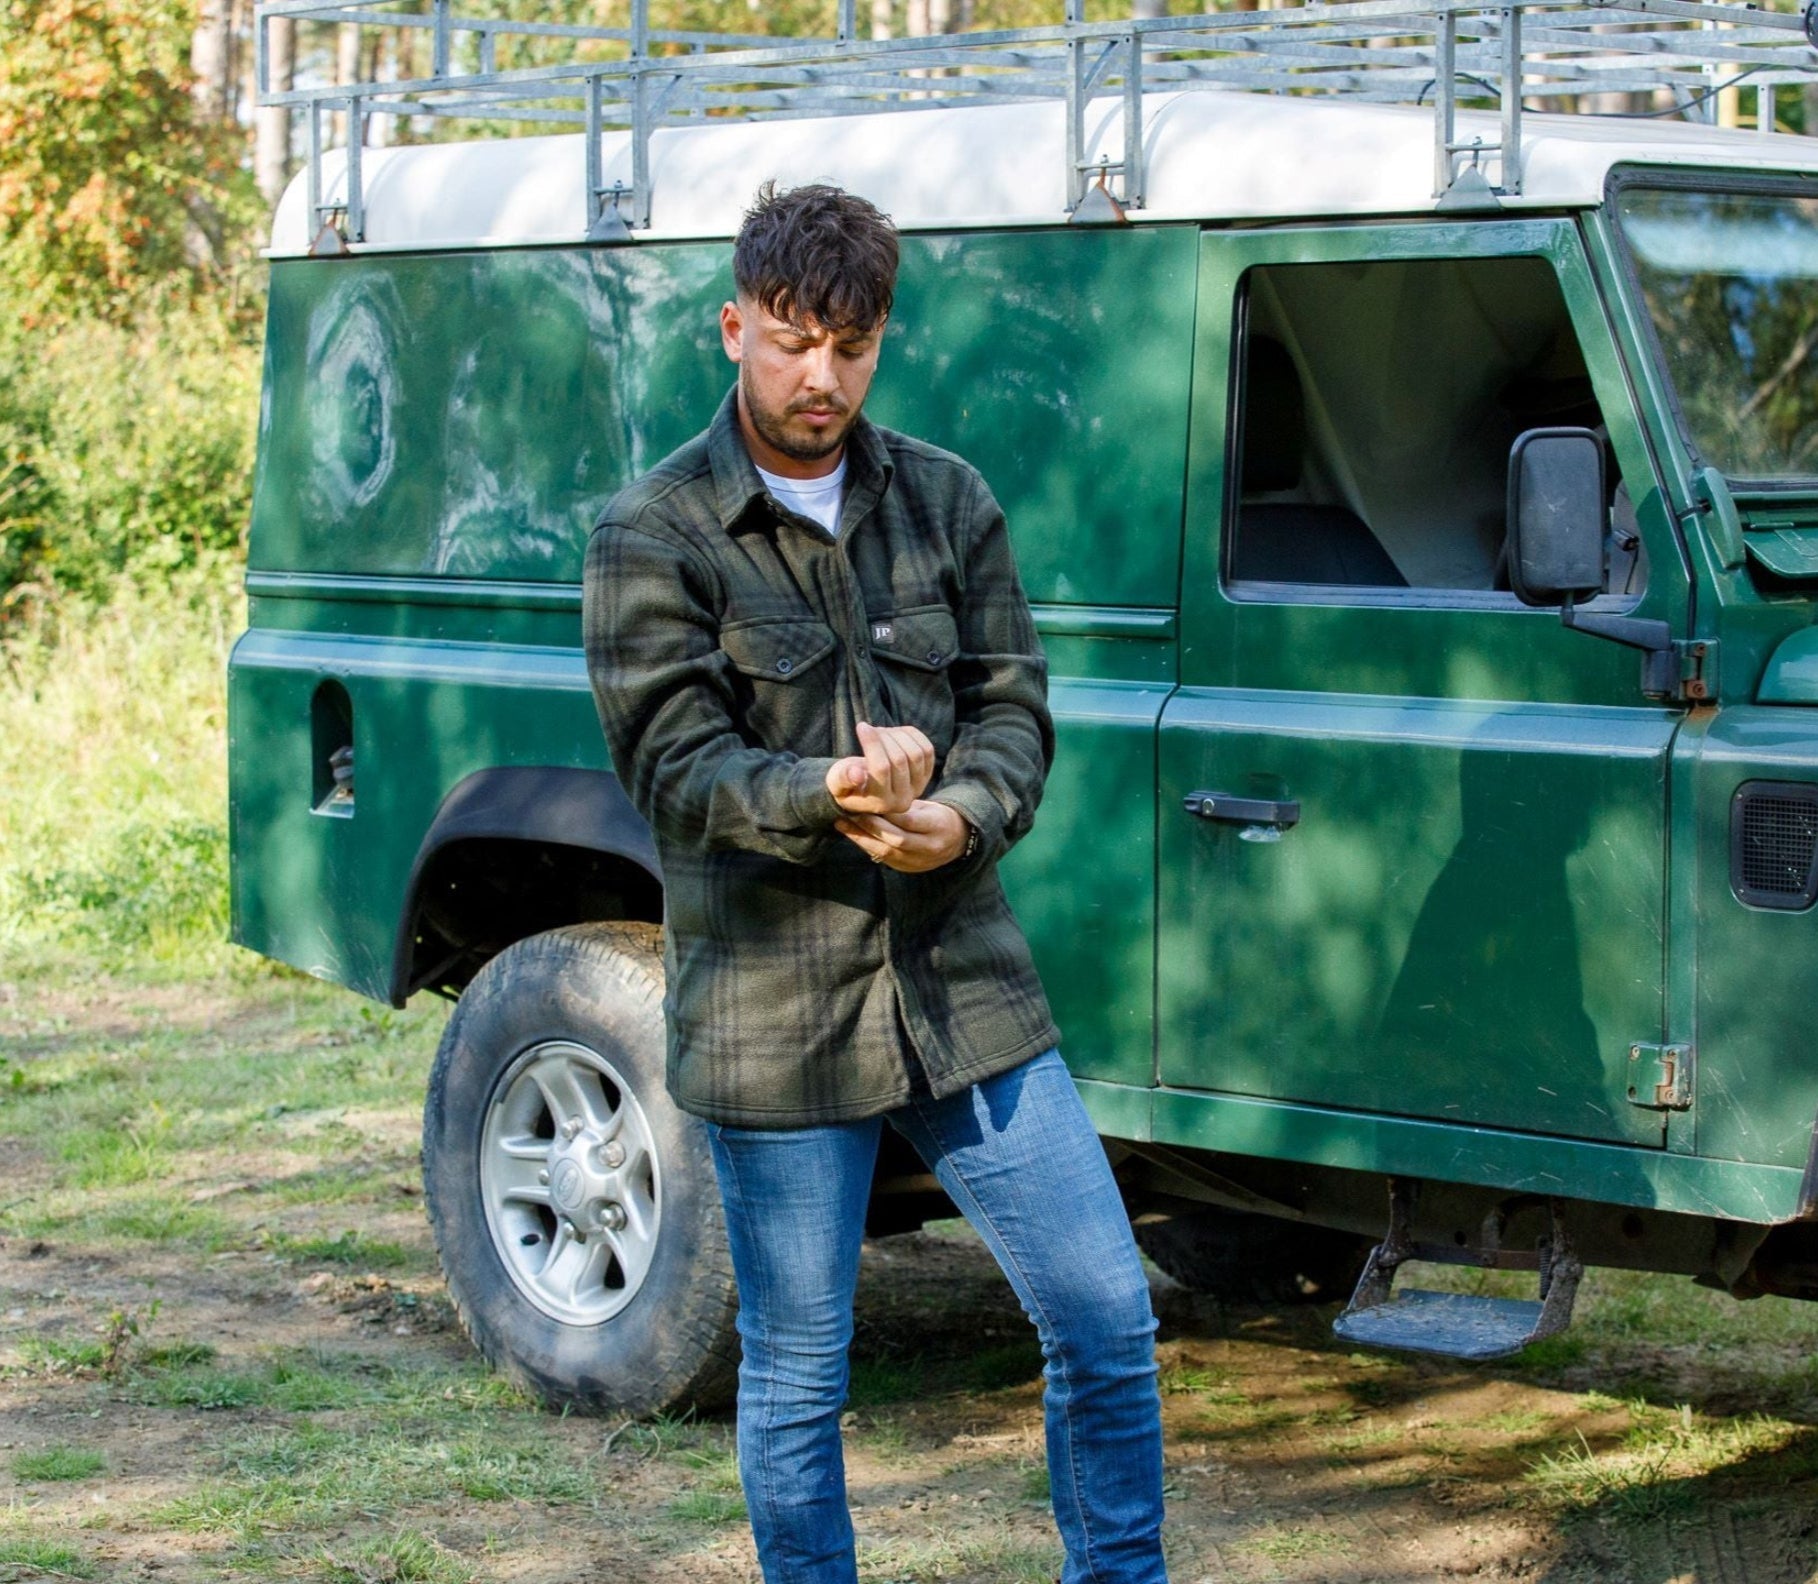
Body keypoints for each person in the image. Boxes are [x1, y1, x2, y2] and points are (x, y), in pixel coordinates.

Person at [583, 180, 1168, 1584]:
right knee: (796, 1373)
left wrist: (957, 819)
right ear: (733, 326)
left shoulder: (947, 501)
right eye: (789, 340)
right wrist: (835, 798)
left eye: (850, 346)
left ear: (881, 341)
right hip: (773, 1010)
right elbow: (675, 770)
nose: (818, 377)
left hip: (962, 990)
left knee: (1104, 1319)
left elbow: (1014, 711)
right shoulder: (654, 531)